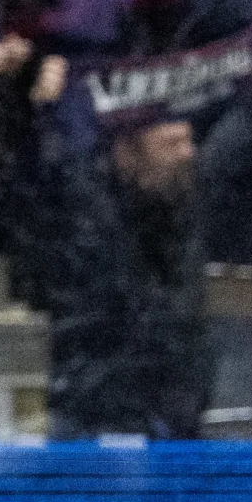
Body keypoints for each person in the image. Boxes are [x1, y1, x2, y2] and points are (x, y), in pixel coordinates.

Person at [41, 116, 204, 436]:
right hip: (105, 414)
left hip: (166, 407)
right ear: (126, 154)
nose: (188, 154)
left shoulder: (180, 210)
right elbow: (96, 329)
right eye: (172, 144)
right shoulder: (88, 221)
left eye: (189, 141)